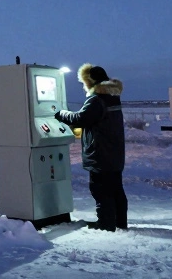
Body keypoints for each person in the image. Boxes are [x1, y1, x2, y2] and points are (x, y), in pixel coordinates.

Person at [54, 63, 126, 231]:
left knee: (100, 190)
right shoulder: (112, 96)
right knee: (116, 190)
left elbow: (81, 118)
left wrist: (61, 113)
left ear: (90, 81)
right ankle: (119, 222)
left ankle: (106, 224)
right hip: (115, 153)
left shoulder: (96, 99)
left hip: (100, 153)